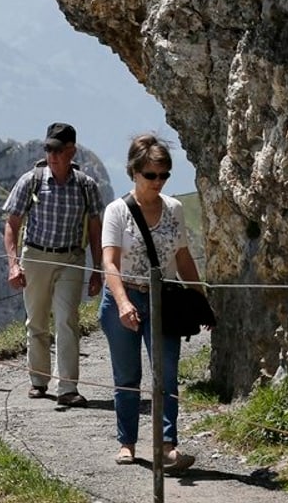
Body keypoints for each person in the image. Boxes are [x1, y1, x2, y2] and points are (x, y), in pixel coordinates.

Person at [100, 133, 204, 471]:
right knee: (127, 374)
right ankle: (127, 443)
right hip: (125, 295)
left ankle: (167, 446)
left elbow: (183, 256)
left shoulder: (173, 210)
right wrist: (122, 303)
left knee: (167, 374)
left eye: (164, 175)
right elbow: (110, 262)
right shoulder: (117, 212)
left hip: (163, 300)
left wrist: (200, 297)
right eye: (151, 175)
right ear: (134, 172)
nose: (158, 181)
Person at [4, 122, 104, 407]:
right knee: (36, 320)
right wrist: (14, 264)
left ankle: (68, 387)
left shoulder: (87, 186)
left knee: (67, 320)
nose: (53, 155)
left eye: (58, 150)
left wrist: (97, 270)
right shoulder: (31, 180)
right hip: (35, 256)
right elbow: (12, 223)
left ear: (71, 151)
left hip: (71, 259)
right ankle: (38, 380)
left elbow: (96, 230)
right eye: (48, 149)